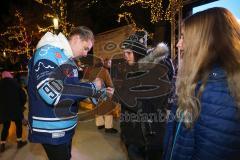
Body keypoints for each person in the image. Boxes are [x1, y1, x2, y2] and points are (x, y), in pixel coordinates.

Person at [163, 7, 240, 160]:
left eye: (184, 37)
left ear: (204, 42)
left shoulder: (217, 91)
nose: (178, 44)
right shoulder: (202, 81)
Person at [27, 26, 112, 160]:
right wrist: (92, 87)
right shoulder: (47, 52)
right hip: (53, 128)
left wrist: (96, 94)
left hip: (65, 126)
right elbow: (52, 93)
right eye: (85, 48)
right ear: (76, 38)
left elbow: (72, 89)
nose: (85, 54)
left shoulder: (68, 59)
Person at [116, 31, 174, 160]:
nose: (125, 56)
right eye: (124, 53)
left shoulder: (157, 71)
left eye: (129, 53)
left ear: (138, 53)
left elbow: (147, 106)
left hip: (149, 137)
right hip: (132, 135)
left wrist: (119, 96)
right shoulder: (130, 70)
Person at [83, 57, 118, 133]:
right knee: (108, 110)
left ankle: (100, 124)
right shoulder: (104, 71)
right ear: (102, 63)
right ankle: (108, 128)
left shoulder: (92, 71)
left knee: (98, 110)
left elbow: (90, 83)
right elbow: (109, 83)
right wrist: (112, 88)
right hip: (104, 95)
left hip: (94, 95)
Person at [0, 71, 27, 152]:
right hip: (15, 109)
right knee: (18, 125)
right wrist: (21, 105)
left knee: (5, 126)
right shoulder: (16, 84)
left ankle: (2, 144)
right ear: (10, 75)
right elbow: (23, 96)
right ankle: (19, 142)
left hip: (4, 110)